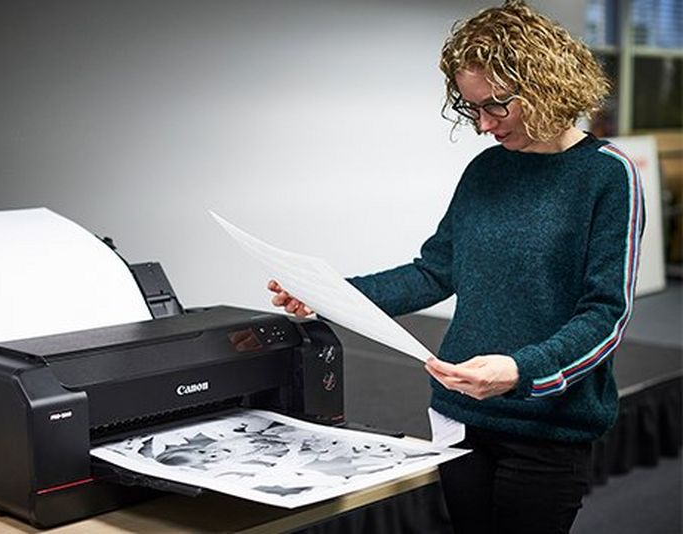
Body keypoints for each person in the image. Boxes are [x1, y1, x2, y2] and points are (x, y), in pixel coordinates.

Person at [267, 1, 644, 533]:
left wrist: (519, 371)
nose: (483, 125)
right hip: (458, 414)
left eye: (497, 106)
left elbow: (606, 315)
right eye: (472, 109)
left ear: (547, 86)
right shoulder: (486, 169)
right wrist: (330, 295)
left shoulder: (607, 176)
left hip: (544, 426)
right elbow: (434, 272)